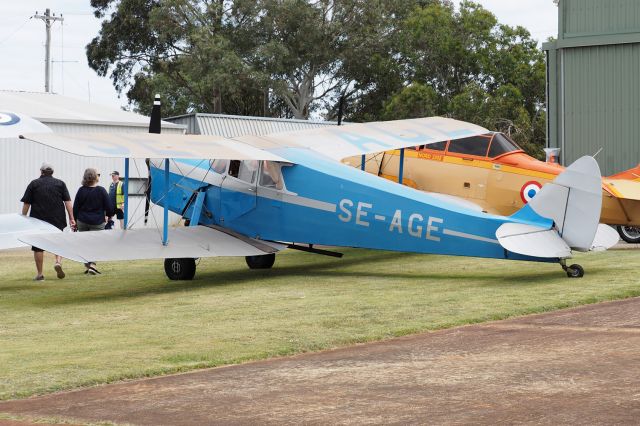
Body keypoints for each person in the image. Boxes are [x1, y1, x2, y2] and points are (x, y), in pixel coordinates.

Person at [20, 162, 75, 281]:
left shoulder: (34, 184)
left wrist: (23, 218)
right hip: (57, 218)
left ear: (41, 172)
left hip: (38, 220)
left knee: (38, 247)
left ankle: (40, 274)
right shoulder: (60, 183)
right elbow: (68, 202)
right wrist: (72, 218)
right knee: (58, 242)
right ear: (52, 172)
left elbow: (27, 203)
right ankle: (58, 262)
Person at [73, 168, 114, 275]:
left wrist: (75, 222)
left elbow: (76, 207)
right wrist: (109, 216)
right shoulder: (101, 190)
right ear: (95, 177)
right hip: (97, 221)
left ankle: (88, 265)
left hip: (82, 221)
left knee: (85, 243)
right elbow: (109, 207)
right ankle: (92, 265)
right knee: (97, 244)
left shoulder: (81, 190)